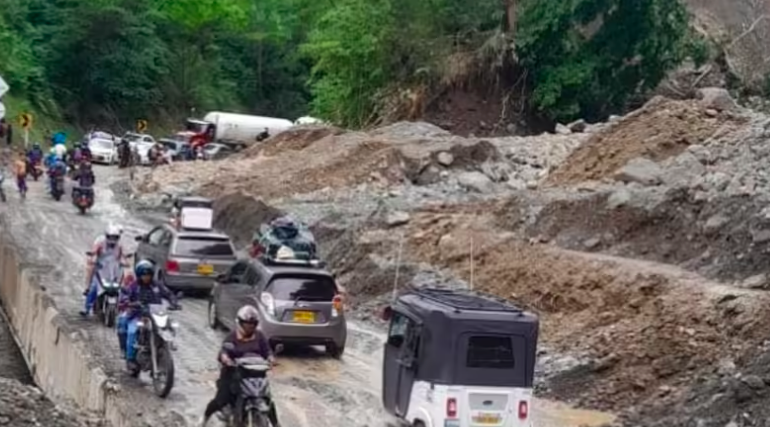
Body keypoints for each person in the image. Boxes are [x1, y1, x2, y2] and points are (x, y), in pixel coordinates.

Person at [200, 305, 280, 427]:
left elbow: (267, 351)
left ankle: (276, 423)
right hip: (234, 375)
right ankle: (205, 418)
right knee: (221, 400)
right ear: (240, 323)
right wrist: (226, 359)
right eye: (247, 324)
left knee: (266, 399)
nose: (250, 326)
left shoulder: (259, 336)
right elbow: (223, 352)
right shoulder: (232, 337)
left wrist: (271, 358)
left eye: (252, 324)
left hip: (256, 375)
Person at [117, 260, 179, 371]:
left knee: (170, 326)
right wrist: (130, 303)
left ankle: (166, 347)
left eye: (148, 275)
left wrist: (174, 302)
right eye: (143, 275)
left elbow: (168, 293)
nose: (146, 277)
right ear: (139, 275)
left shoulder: (157, 285)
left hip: (156, 315)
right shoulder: (134, 286)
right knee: (132, 331)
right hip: (138, 315)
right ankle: (130, 359)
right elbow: (125, 295)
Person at [80, 224, 126, 317]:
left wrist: (125, 262)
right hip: (102, 269)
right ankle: (86, 308)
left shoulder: (119, 246)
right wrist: (92, 255)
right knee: (93, 288)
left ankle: (122, 310)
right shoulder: (100, 244)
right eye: (111, 237)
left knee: (123, 289)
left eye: (115, 237)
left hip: (113, 271)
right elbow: (94, 251)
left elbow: (123, 257)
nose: (113, 240)